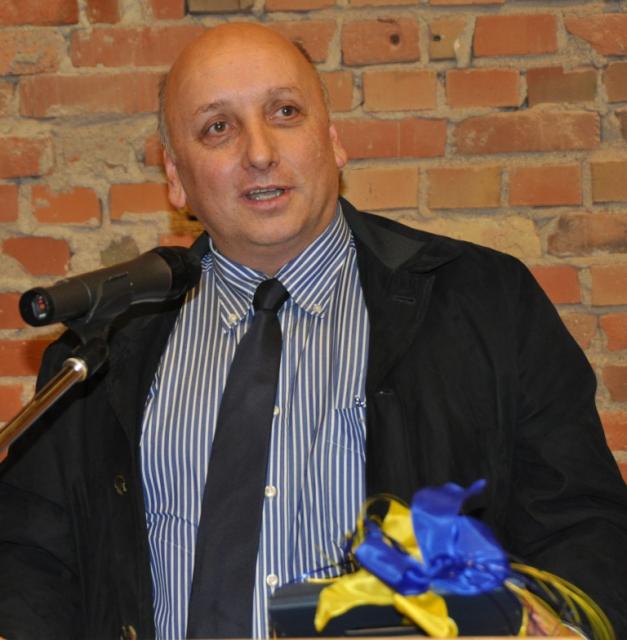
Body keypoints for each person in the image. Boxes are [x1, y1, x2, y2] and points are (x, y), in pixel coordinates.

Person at [1, 22, 626, 640]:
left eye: (285, 112)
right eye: (218, 128)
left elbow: (582, 522)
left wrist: (560, 628)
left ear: (332, 140)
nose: (259, 152)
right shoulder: (103, 348)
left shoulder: (484, 302)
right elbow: (32, 562)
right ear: (175, 176)